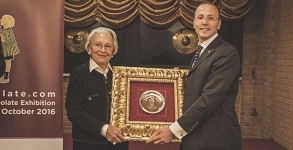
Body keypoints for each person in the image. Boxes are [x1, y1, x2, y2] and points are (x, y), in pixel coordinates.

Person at [146, 1, 242, 150]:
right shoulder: (201, 50)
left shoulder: (226, 53)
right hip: (195, 136)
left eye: (211, 18)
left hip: (215, 140)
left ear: (219, 24)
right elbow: (199, 84)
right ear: (194, 22)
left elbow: (209, 100)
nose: (205, 22)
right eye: (200, 17)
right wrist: (176, 81)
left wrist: (173, 130)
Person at [65, 27, 128, 150]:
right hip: (87, 143)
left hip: (118, 143)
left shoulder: (121, 74)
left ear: (113, 50)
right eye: (98, 45)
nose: (103, 50)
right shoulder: (78, 74)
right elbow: (74, 112)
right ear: (89, 48)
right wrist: (104, 129)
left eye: (108, 46)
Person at [0, 14, 20, 84]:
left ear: (6, 22)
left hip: (8, 51)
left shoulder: (8, 31)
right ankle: (4, 76)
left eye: (2, 19)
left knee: (7, 62)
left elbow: (9, 41)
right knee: (6, 62)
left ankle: (6, 77)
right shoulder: (5, 30)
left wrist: (3, 39)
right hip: (6, 50)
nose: (1, 20)